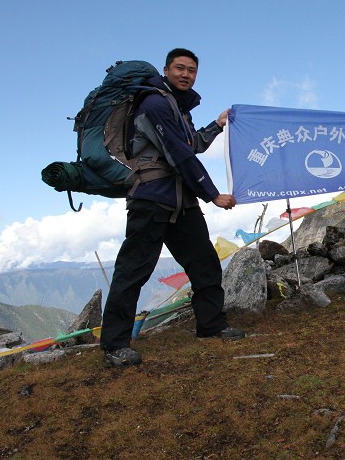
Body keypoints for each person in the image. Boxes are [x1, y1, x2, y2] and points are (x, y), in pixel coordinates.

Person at [101, 48, 245, 367]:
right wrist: (212, 194)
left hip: (180, 200)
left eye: (191, 70)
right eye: (179, 68)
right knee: (134, 270)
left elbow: (191, 143)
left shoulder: (178, 108)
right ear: (166, 70)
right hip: (151, 199)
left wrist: (219, 124)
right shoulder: (154, 103)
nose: (185, 74)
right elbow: (180, 154)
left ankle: (211, 326)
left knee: (204, 262)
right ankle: (114, 343)